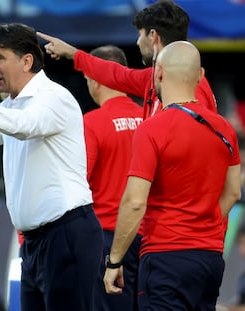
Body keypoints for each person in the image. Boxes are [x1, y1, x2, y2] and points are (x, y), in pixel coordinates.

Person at [0, 22, 104, 311]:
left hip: (66, 234)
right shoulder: (12, 106)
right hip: (34, 243)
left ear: (27, 60)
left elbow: (25, 127)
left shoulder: (54, 98)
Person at [103, 41, 241, 310]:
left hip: (165, 256)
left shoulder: (152, 129)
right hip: (209, 259)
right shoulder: (226, 128)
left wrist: (115, 260)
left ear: (159, 73)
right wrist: (203, 225)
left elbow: (134, 201)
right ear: (200, 76)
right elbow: (233, 191)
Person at [37, 0, 217, 119]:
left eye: (140, 35)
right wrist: (73, 53)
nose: (138, 42)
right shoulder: (154, 78)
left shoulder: (193, 90)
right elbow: (116, 74)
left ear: (153, 36)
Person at [83, 45, 142, 311]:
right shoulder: (151, 117)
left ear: (96, 78)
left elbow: (78, 180)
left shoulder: (91, 123)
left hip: (108, 238)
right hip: (151, 238)